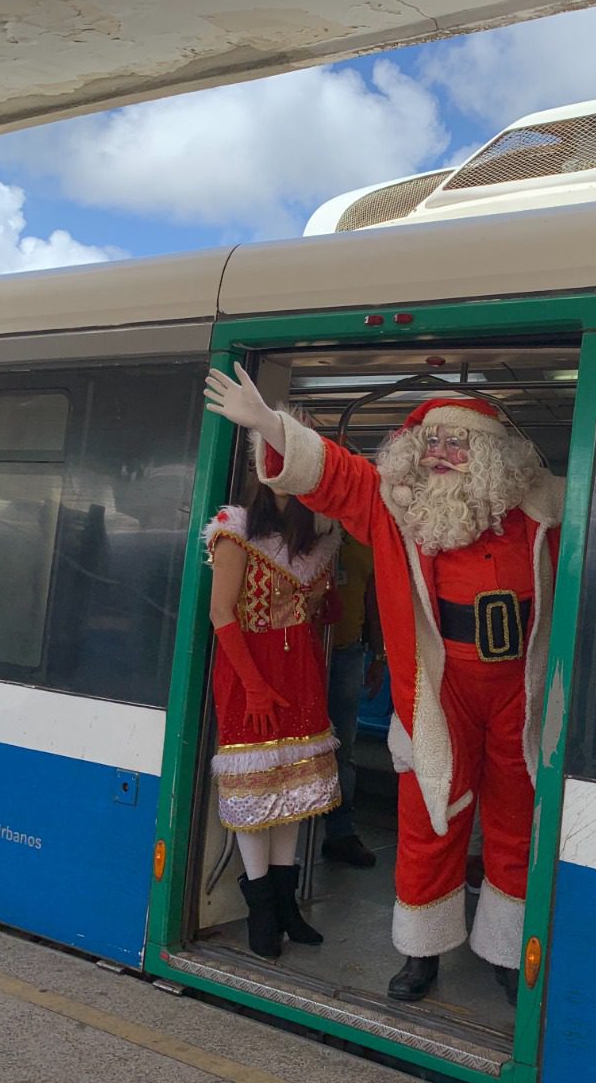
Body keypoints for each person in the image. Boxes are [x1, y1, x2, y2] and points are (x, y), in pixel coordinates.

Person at [204, 364, 561, 1005]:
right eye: (431, 445)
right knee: (429, 817)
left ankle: (507, 952)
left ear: (489, 456)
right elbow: (336, 475)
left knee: (516, 823)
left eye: (458, 444)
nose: (442, 457)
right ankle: (421, 952)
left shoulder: (543, 511)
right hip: (437, 691)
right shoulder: (397, 510)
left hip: (521, 692)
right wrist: (270, 427)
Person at [205, 468, 342, 959]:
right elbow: (222, 613)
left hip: (299, 667)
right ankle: (262, 909)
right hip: (250, 671)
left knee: (295, 785)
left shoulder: (317, 541)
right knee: (254, 787)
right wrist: (255, 687)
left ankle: (285, 906)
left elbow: (319, 610)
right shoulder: (234, 529)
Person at [322, 530, 386, 868]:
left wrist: (379, 655)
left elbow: (372, 600)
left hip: (348, 654)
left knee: (343, 747)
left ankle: (340, 831)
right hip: (305, 653)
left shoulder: (365, 541)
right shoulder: (310, 535)